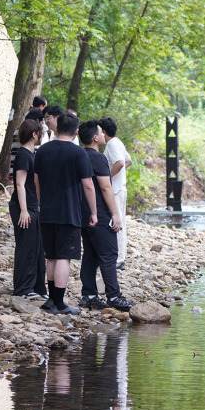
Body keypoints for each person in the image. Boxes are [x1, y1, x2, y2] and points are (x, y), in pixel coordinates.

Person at [34, 112, 97, 315]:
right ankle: (60, 304)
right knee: (63, 257)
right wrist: (94, 212)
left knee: (51, 256)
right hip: (68, 212)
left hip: (47, 210)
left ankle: (51, 300)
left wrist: (41, 200)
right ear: (77, 131)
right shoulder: (79, 153)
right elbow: (88, 185)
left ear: (57, 128)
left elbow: (36, 181)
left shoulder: (42, 151)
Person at [77, 120, 135, 311]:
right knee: (109, 255)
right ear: (95, 138)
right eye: (101, 132)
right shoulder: (98, 158)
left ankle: (90, 295)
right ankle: (114, 296)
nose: (104, 135)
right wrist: (115, 214)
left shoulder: (79, 155)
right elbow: (105, 187)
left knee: (91, 255)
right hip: (100, 213)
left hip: (83, 213)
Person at [10, 119, 47, 301]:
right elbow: (20, 183)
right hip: (23, 206)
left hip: (32, 206)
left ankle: (36, 286)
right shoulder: (24, 154)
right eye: (41, 132)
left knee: (37, 246)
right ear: (34, 134)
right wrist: (24, 210)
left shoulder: (31, 154)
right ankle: (23, 288)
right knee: (27, 247)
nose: (43, 135)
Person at [100, 117, 131, 269]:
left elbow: (120, 162)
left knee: (117, 221)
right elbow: (128, 161)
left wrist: (107, 177)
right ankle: (121, 257)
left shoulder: (112, 144)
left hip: (116, 189)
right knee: (120, 221)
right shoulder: (117, 142)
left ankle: (119, 259)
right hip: (120, 187)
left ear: (103, 131)